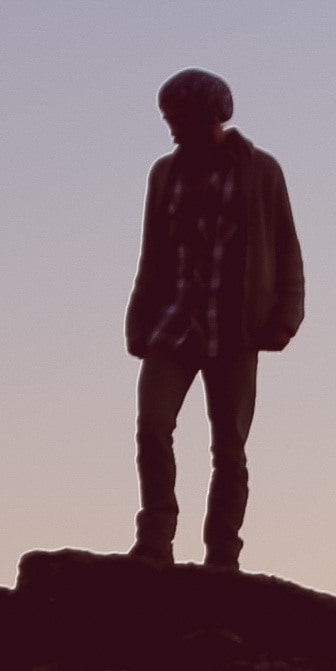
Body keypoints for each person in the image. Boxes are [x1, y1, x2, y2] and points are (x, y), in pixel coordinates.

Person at [124, 68, 304, 571]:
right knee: (153, 426)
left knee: (229, 446)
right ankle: (155, 538)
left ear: (212, 116)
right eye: (168, 119)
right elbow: (153, 253)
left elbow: (286, 246)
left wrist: (287, 316)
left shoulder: (261, 171)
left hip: (235, 330)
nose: (173, 128)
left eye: (180, 118)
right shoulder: (164, 174)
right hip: (172, 325)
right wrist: (139, 321)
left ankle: (222, 553)